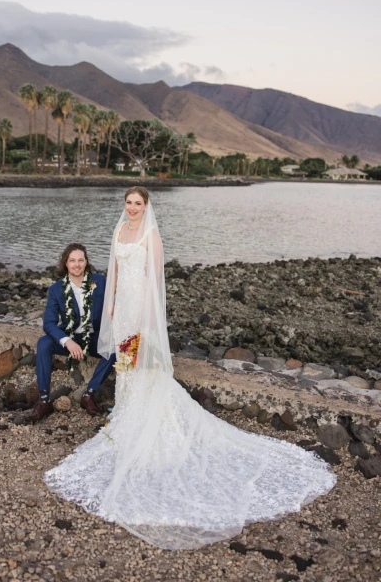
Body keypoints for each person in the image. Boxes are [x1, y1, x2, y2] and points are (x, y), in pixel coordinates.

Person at [45, 187, 336, 550]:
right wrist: (113, 309)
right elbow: (115, 273)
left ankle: (149, 423)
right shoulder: (119, 232)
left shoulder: (152, 236)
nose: (132, 208)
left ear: (146, 207)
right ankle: (126, 419)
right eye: (128, 203)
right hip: (122, 312)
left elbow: (155, 282)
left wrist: (147, 321)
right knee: (126, 368)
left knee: (144, 369)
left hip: (142, 313)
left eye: (138, 204)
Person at [27, 243, 116, 422]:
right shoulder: (56, 289)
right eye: (72, 260)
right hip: (71, 336)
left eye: (80, 260)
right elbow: (49, 323)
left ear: (86, 262)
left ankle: (88, 394)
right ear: (65, 263)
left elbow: (117, 303)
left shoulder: (100, 281)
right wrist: (67, 341)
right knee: (44, 343)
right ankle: (44, 401)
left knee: (115, 348)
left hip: (95, 337)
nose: (77, 264)